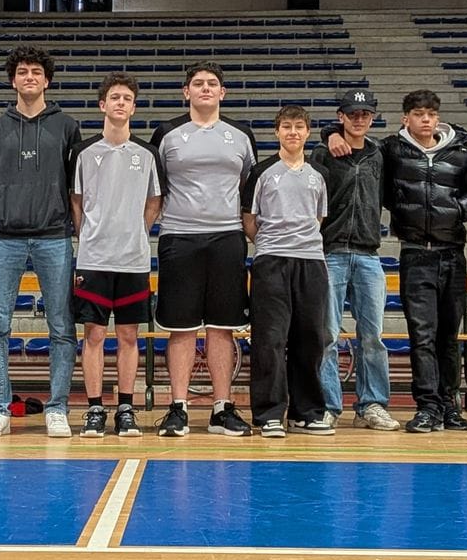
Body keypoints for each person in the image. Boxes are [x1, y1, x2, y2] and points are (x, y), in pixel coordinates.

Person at [0, 46, 81, 438]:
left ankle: (57, 408)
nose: (29, 78)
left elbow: (75, 185)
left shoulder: (66, 126)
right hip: (4, 238)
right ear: (13, 79)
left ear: (47, 80)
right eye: (22, 71)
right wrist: (4, 212)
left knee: (61, 327)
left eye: (36, 72)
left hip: (53, 236)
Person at [150, 61, 256, 437]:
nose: (206, 88)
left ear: (223, 93)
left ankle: (221, 408)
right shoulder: (167, 133)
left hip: (227, 237)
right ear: (186, 91)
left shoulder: (241, 135)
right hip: (179, 237)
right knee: (181, 328)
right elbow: (155, 188)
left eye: (213, 83)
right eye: (198, 83)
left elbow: (248, 188)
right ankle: (177, 407)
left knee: (222, 328)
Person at [69, 72, 164, 437]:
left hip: (133, 258)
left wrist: (138, 230)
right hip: (93, 258)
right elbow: (76, 201)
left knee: (128, 335)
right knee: (93, 335)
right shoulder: (84, 153)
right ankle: (95, 408)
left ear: (134, 107)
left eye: (127, 98)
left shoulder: (147, 154)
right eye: (115, 97)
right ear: (102, 105)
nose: (121, 103)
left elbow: (155, 200)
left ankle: (125, 406)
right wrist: (89, 234)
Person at [381, 90, 467, 433]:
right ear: (405, 118)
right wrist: (329, 134)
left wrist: (458, 209)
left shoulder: (462, 155)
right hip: (414, 253)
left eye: (431, 114)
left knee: (448, 338)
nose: (426, 119)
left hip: (453, 254)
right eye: (419, 114)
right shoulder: (391, 151)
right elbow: (356, 149)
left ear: (438, 118)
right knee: (422, 335)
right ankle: (427, 406)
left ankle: (449, 405)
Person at [310, 89, 399, 432]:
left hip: (367, 253)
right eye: (352, 113)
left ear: (373, 117)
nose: (359, 118)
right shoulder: (323, 153)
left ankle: (372, 403)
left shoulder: (379, 153)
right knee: (328, 335)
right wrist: (327, 136)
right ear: (341, 116)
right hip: (330, 252)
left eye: (365, 113)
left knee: (372, 335)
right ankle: (329, 405)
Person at [242, 105, 332, 437]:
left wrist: (300, 244)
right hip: (271, 261)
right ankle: (268, 413)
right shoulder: (262, 172)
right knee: (270, 339)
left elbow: (318, 218)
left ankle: (306, 412)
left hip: (311, 262)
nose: (292, 132)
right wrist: (271, 244)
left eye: (298, 127)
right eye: (286, 127)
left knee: (310, 338)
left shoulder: (319, 174)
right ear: (276, 132)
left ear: (308, 132)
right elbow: (249, 221)